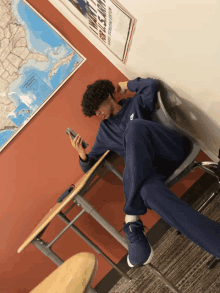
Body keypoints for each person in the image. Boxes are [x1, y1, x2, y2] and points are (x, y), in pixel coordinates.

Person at [69, 77, 220, 268]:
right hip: (152, 170)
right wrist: (82, 155)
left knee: (135, 127)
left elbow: (152, 86)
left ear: (108, 97)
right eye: (94, 113)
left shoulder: (135, 103)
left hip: (172, 149)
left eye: (98, 108)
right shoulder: (104, 132)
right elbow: (89, 166)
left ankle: (131, 216)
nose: (97, 114)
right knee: (149, 193)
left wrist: (126, 85)